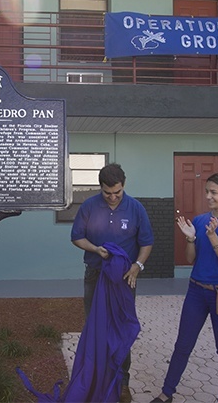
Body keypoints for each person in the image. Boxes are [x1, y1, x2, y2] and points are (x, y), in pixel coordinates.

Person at [151, 172, 218, 403]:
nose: (208, 196)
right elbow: (190, 259)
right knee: (183, 345)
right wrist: (189, 239)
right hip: (196, 292)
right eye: (207, 191)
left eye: (213, 192)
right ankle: (167, 393)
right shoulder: (199, 220)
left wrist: (213, 237)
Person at [71, 163, 153, 403]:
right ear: (101, 188)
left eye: (117, 192)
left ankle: (122, 383)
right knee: (96, 328)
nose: (113, 197)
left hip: (124, 279)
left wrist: (137, 266)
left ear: (123, 185)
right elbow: (76, 237)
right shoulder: (89, 206)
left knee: (121, 329)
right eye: (108, 193)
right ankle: (95, 380)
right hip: (95, 276)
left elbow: (146, 243)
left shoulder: (136, 208)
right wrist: (96, 249)